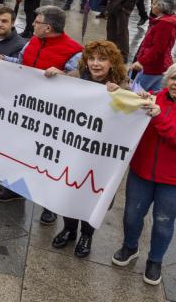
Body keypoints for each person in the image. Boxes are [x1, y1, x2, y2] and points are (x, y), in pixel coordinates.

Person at [113, 62, 176, 286]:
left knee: (163, 221)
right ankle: (130, 246)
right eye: (173, 78)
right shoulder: (152, 98)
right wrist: (116, 94)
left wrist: (159, 119)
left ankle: (155, 260)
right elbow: (122, 112)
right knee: (131, 214)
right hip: (142, 172)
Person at [0, 5, 82, 224]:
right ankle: (15, 189)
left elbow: (80, 81)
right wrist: (1, 60)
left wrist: (64, 74)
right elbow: (22, 64)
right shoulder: (33, 41)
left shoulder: (74, 50)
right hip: (25, 109)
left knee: (48, 162)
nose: (32, 24)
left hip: (52, 117)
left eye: (37, 22)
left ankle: (50, 205)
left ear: (47, 27)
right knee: (19, 151)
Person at [45, 40, 129, 258]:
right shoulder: (76, 76)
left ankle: (86, 235)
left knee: (92, 193)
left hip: (100, 156)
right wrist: (55, 75)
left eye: (102, 59)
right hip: (73, 149)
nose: (95, 63)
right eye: (91, 58)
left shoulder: (122, 84)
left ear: (112, 63)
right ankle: (70, 229)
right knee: (69, 187)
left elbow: (133, 111)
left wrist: (120, 95)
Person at [131, 0, 176, 92]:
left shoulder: (164, 24)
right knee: (155, 93)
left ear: (162, 6)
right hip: (158, 65)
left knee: (136, 92)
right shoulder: (166, 20)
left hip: (152, 66)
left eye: (155, 4)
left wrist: (141, 61)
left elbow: (158, 48)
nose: (152, 6)